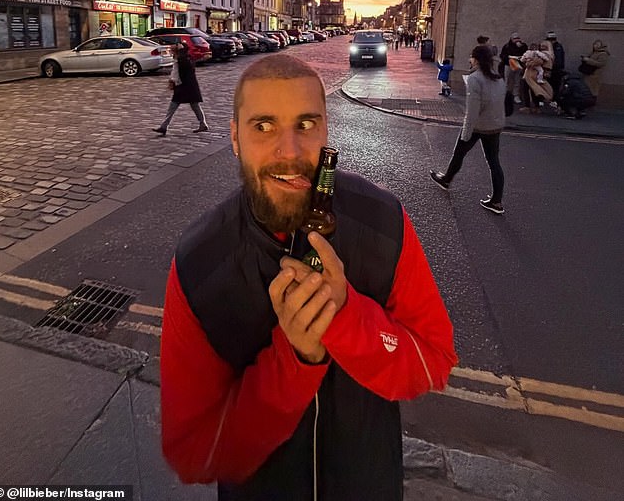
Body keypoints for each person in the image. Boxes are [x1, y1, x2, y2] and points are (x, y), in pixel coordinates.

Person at [161, 55, 457, 500]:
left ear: (325, 131)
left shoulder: (384, 220)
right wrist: (295, 360)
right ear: (235, 138)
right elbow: (194, 451)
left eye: (305, 124)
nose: (290, 151)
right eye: (263, 126)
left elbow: (432, 361)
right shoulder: (198, 261)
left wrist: (346, 318)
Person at [430, 44, 506, 215]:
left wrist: (466, 133)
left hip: (478, 126)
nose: (470, 60)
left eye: (471, 57)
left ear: (477, 60)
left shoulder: (474, 79)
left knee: (459, 153)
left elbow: (472, 111)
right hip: (495, 126)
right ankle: (497, 201)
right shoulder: (498, 78)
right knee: (494, 162)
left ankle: (446, 180)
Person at [152, 40, 209, 136]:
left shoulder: (185, 58)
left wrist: (181, 50)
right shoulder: (181, 58)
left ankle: (164, 127)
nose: (172, 52)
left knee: (188, 106)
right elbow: (175, 72)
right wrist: (172, 81)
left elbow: (184, 67)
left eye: (174, 51)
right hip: (184, 86)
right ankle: (164, 126)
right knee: (188, 106)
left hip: (186, 87)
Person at [499, 32, 527, 105]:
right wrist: (509, 59)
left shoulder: (523, 46)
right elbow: (502, 56)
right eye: (515, 38)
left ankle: (516, 96)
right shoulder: (507, 46)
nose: (517, 40)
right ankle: (504, 95)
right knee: (507, 81)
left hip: (518, 65)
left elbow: (526, 54)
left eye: (518, 38)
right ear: (511, 39)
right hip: (508, 65)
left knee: (517, 81)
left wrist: (521, 48)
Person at [545, 31, 565, 100]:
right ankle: (549, 99)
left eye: (553, 39)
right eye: (550, 39)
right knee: (548, 85)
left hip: (557, 70)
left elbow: (561, 58)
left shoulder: (558, 46)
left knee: (556, 86)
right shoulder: (545, 46)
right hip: (548, 69)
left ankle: (555, 100)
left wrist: (561, 68)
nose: (552, 41)